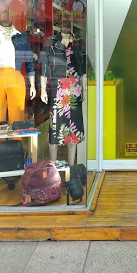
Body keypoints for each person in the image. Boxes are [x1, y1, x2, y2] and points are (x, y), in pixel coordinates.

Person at [40, 15, 86, 166]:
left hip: (75, 88)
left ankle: (72, 166)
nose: (65, 23)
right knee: (55, 125)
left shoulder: (78, 41)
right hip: (58, 87)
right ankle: (53, 165)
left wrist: (84, 88)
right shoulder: (51, 41)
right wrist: (43, 89)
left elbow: (83, 67)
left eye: (67, 21)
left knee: (73, 127)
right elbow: (45, 66)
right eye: (62, 21)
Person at [0, 9, 36, 126]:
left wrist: (32, 85)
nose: (6, 16)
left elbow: (29, 61)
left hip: (16, 76)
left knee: (17, 115)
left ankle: (17, 137)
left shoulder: (22, 36)